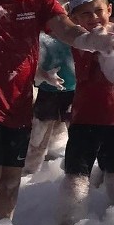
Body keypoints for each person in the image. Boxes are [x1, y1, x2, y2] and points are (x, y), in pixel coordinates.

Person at [0, 0, 114, 224]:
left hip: (18, 107)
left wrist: (90, 40)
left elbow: (66, 29)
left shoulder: (39, 0)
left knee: (9, 186)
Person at [51, 0, 114, 225]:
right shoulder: (81, 42)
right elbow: (93, 47)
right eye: (85, 14)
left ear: (109, 9)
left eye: (99, 11)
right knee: (77, 172)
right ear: (74, 19)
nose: (94, 18)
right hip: (85, 117)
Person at [23, 24, 76, 173]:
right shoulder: (40, 36)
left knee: (77, 134)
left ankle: (75, 169)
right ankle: (29, 172)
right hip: (47, 92)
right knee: (38, 136)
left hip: (72, 91)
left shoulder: (73, 33)